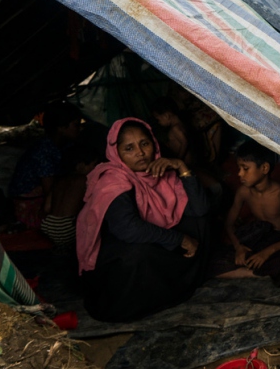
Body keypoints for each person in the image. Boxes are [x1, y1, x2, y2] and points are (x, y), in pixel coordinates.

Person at [75, 118, 210, 322]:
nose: (140, 152)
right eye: (129, 148)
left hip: (152, 237)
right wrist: (179, 239)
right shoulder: (112, 181)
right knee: (139, 254)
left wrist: (182, 167)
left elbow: (200, 209)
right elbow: (127, 229)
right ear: (116, 153)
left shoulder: (162, 173)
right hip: (116, 257)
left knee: (201, 224)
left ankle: (177, 288)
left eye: (144, 143)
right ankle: (134, 305)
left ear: (154, 144)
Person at [216, 141, 280, 286]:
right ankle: (255, 271)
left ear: (264, 168)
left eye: (245, 168)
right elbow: (229, 224)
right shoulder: (243, 192)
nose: (239, 173)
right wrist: (238, 247)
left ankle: (253, 270)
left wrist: (267, 252)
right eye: (239, 168)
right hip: (260, 235)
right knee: (213, 258)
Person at [8, 102, 83, 229]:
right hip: (30, 208)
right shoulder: (43, 151)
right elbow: (51, 191)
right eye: (76, 125)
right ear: (61, 127)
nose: (80, 129)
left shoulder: (65, 146)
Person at [40, 145, 101, 248]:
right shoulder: (84, 180)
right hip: (67, 226)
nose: (95, 169)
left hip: (48, 223)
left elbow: (47, 208)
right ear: (81, 165)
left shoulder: (59, 180)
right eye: (93, 165)